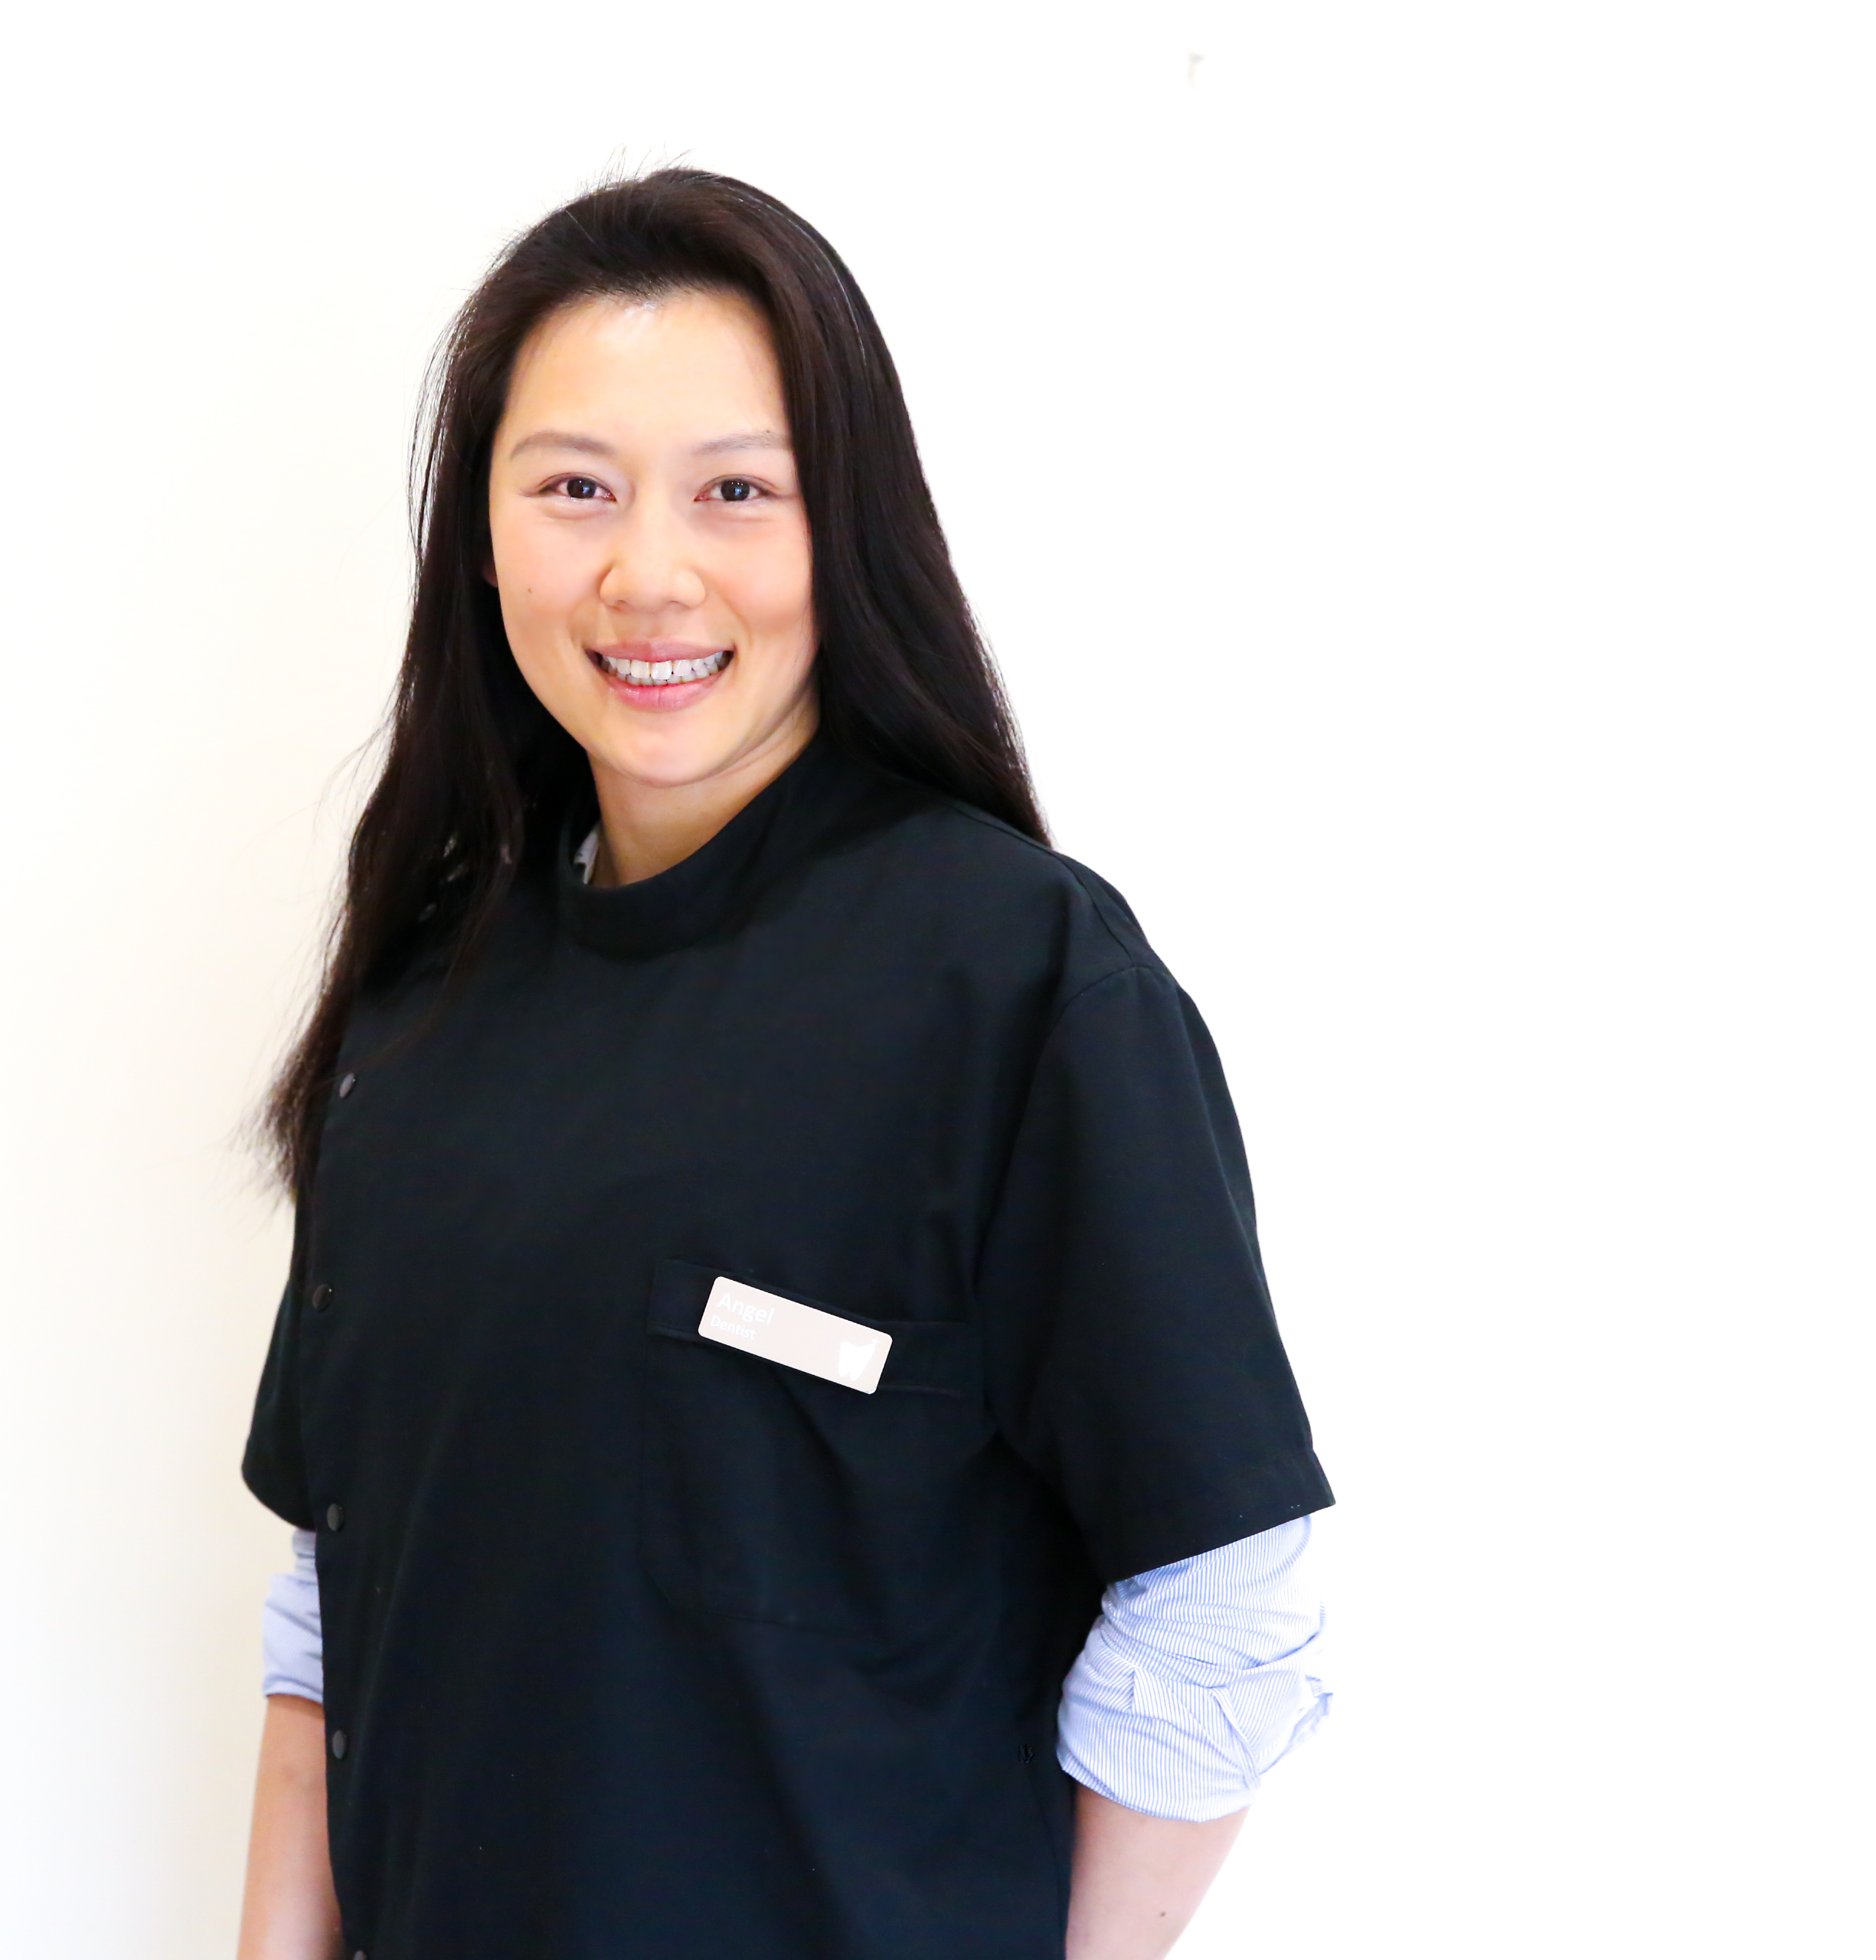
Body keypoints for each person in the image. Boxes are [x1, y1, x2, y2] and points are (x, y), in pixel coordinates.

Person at [234, 169, 1334, 1960]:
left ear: (852, 527)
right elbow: (335, 1603)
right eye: (575, 487)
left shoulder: (1019, 982)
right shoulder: (418, 1006)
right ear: (483, 536)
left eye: (738, 491)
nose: (648, 573)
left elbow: (1228, 1593)